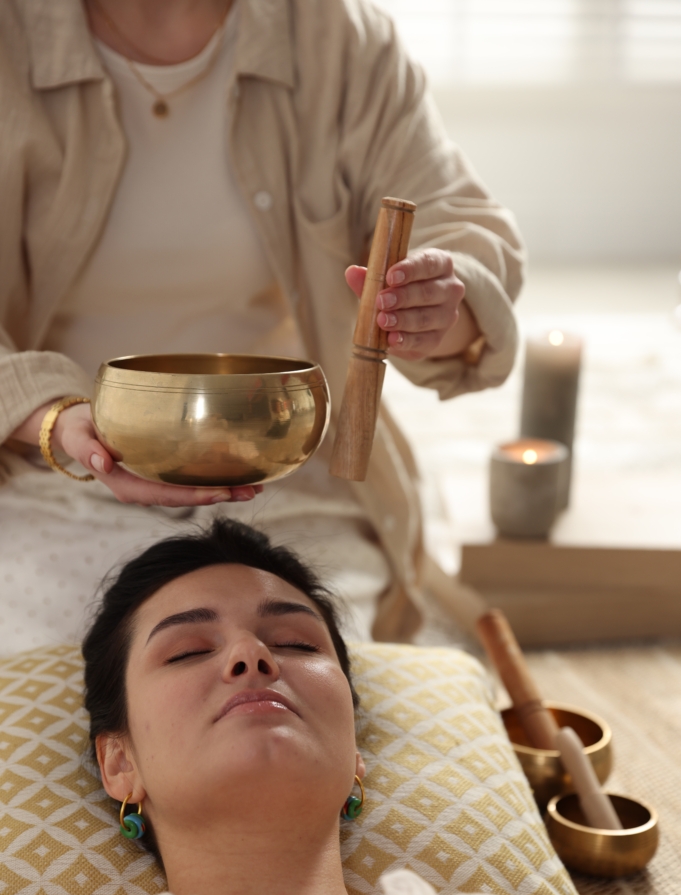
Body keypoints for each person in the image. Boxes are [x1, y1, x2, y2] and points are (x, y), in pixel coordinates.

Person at [2, 518, 681, 895]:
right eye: (185, 651)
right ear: (119, 763)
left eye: (295, 642)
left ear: (356, 757)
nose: (250, 655)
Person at [0, 0, 524, 651]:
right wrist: (52, 419)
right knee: (67, 688)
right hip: (44, 476)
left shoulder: (335, 35)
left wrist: (434, 305)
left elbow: (457, 221)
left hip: (283, 474)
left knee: (305, 681)